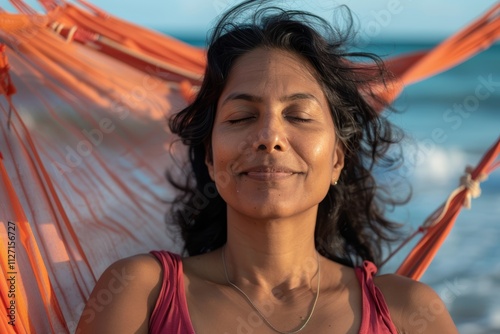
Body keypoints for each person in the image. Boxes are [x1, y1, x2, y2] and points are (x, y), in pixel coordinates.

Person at [77, 1, 458, 333]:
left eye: (299, 115)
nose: (269, 136)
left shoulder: (408, 311)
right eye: (241, 116)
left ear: (337, 158)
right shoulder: (141, 293)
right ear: (210, 158)